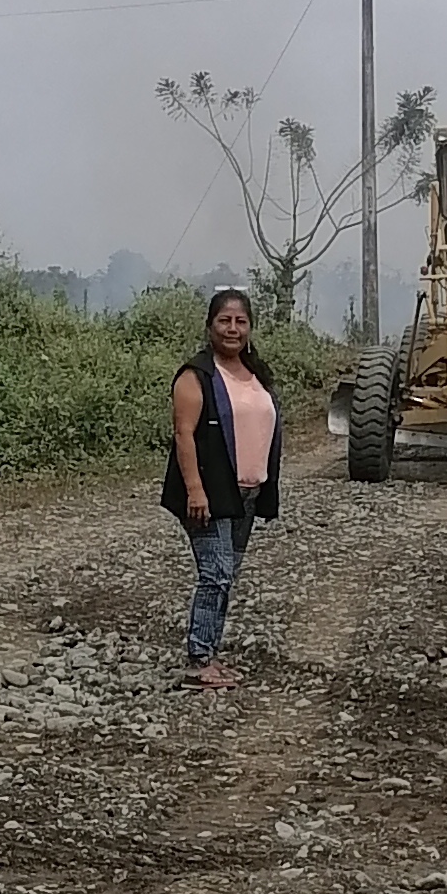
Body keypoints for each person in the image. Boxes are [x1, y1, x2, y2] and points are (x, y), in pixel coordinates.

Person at [162, 286, 282, 690]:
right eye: (224, 320)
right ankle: (198, 663)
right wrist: (195, 490)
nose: (232, 329)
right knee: (215, 575)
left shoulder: (256, 374)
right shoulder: (195, 376)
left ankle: (210, 654)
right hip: (210, 494)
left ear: (250, 327)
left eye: (240, 321)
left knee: (226, 576)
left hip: (245, 495)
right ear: (210, 325)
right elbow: (184, 434)